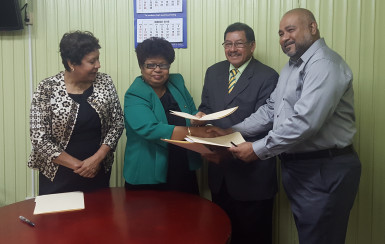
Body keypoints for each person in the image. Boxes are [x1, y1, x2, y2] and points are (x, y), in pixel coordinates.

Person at [210, 9, 361, 244]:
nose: (284, 38)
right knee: (311, 236)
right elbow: (271, 110)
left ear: (313, 28)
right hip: (301, 169)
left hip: (324, 168)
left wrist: (258, 149)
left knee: (320, 238)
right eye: (281, 33)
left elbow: (305, 123)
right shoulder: (292, 67)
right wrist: (233, 130)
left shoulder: (324, 64)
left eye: (291, 30)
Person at [195, 22, 279, 244]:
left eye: (239, 44)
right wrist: (201, 118)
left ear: (252, 46)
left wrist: (226, 133)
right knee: (222, 235)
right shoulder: (213, 72)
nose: (232, 49)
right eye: (228, 44)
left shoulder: (268, 76)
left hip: (252, 175)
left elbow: (267, 122)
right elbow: (207, 106)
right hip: (220, 173)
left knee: (254, 237)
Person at [28, 31, 125, 195]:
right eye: (92, 61)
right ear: (72, 63)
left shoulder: (105, 82)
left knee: (98, 218)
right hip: (58, 174)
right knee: (59, 220)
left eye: (98, 59)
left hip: (98, 170)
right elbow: (39, 137)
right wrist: (79, 166)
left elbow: (117, 123)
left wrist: (96, 160)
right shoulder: (47, 88)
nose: (98, 65)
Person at [123, 37, 214, 194]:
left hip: (181, 166)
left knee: (188, 215)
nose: (157, 69)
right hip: (148, 170)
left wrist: (197, 118)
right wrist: (199, 133)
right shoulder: (135, 94)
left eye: (163, 65)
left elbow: (191, 110)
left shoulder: (177, 83)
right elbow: (151, 129)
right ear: (141, 66)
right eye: (150, 65)